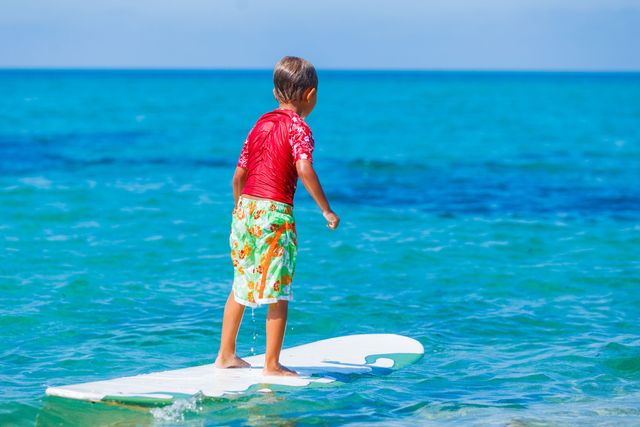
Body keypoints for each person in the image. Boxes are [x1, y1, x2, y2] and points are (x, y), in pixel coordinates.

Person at [214, 56, 340, 376]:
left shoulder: (260, 124)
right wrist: (325, 208)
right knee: (278, 289)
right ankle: (271, 364)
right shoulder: (299, 127)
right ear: (310, 95)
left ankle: (226, 353)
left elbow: (238, 176)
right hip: (274, 214)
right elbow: (303, 167)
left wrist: (239, 207)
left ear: (275, 92)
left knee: (241, 283)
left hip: (245, 210)